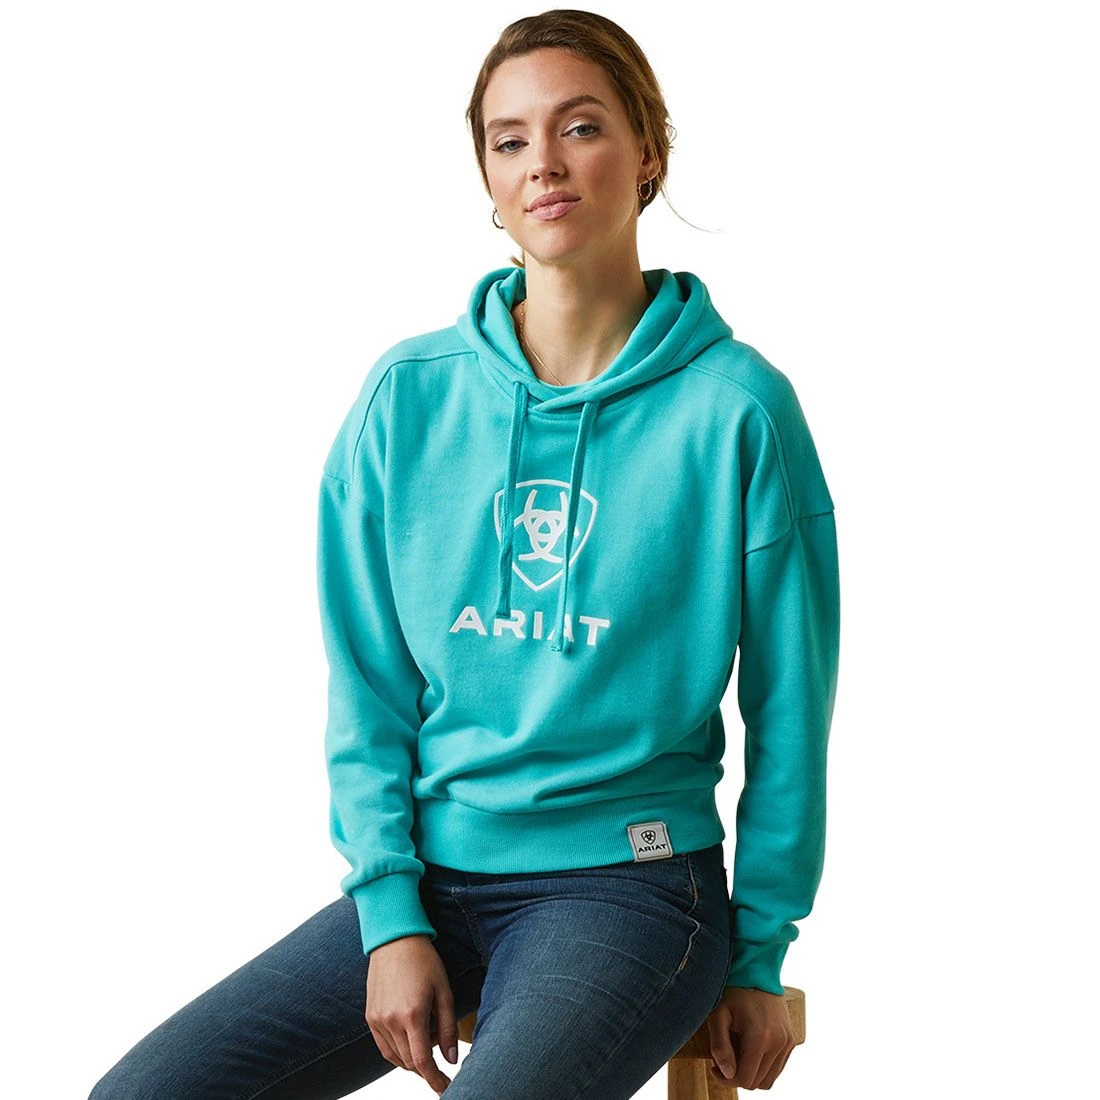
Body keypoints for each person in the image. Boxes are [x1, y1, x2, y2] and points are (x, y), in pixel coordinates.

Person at [89, 9, 840, 1099]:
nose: (543, 163)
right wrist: (389, 914)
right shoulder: (408, 400)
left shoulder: (737, 411)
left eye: (579, 127)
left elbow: (791, 708)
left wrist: (760, 950)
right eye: (509, 138)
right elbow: (369, 686)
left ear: (648, 152)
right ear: (487, 177)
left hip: (633, 887)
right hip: (433, 879)